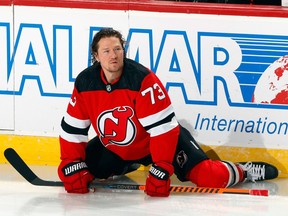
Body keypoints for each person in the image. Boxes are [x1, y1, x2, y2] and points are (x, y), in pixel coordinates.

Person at [58, 28, 278, 196]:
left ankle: (243, 171)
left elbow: (164, 128)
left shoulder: (141, 79)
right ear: (96, 56)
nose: (113, 55)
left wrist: (162, 166)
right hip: (118, 148)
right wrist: (70, 162)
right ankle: (129, 163)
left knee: (210, 177)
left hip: (159, 144)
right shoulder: (85, 82)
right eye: (106, 51)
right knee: (73, 173)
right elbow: (72, 130)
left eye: (118, 49)